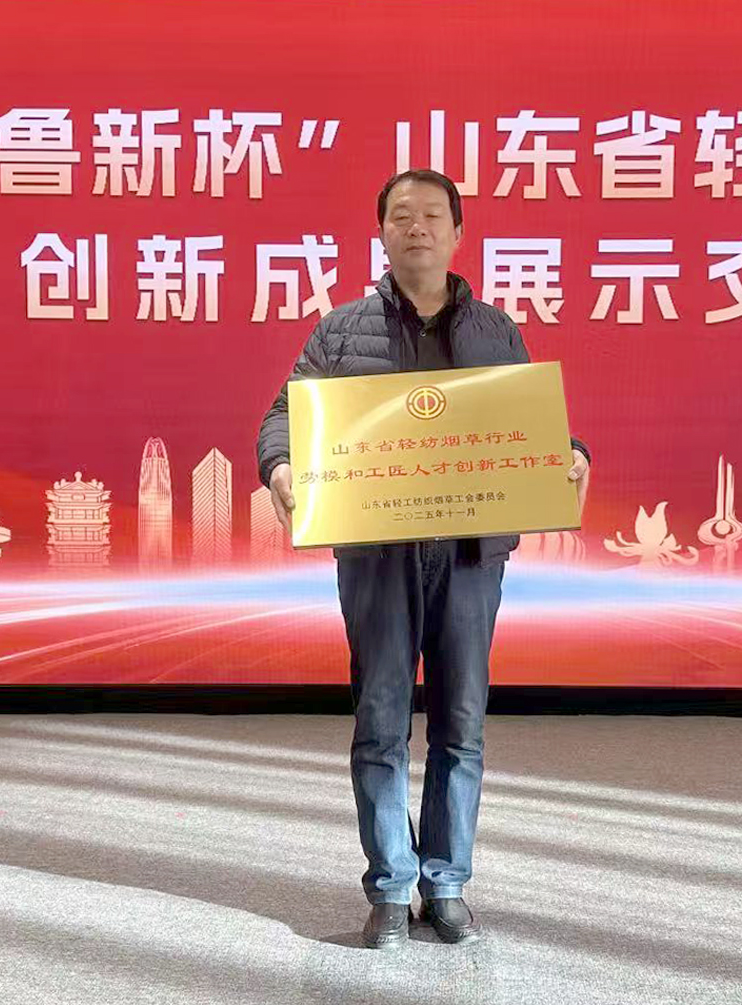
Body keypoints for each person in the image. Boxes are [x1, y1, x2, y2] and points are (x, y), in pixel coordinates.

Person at [255, 169, 590, 949]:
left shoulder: (497, 331)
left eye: (433, 215)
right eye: (401, 215)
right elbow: (284, 415)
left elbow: (533, 426)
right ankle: (389, 884)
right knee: (380, 720)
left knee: (460, 721)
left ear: (458, 233)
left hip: (471, 555)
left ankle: (446, 883)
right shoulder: (342, 333)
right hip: (378, 554)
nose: (417, 228)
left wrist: (570, 452)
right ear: (381, 232)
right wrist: (280, 466)